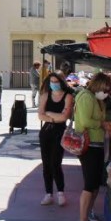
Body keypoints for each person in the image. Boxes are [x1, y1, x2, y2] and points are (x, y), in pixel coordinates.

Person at [74, 72, 111, 221]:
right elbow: (84, 121)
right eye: (106, 89)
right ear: (99, 85)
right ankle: (82, 220)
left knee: (96, 184)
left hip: (97, 145)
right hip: (88, 146)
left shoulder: (96, 100)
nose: (107, 93)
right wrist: (102, 125)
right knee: (89, 184)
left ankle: (89, 212)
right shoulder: (86, 97)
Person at [38, 71, 75, 207]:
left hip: (60, 132)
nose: (54, 84)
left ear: (62, 81)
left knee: (56, 162)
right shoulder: (45, 96)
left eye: (56, 81)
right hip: (46, 132)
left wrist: (49, 115)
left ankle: (60, 192)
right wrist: (55, 117)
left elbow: (65, 117)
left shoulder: (68, 96)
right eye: (51, 81)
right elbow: (40, 115)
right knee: (46, 163)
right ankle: (48, 193)